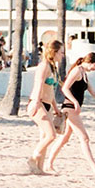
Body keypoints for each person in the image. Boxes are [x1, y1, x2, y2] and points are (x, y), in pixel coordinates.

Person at [43, 50, 95, 171]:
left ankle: (49, 164)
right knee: (84, 138)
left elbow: (94, 93)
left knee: (64, 139)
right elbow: (65, 88)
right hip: (70, 108)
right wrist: (75, 101)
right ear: (89, 61)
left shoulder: (84, 74)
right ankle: (94, 167)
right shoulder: (77, 71)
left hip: (73, 108)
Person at [26, 39, 67, 175]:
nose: (62, 55)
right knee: (51, 135)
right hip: (38, 103)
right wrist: (36, 103)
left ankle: (39, 168)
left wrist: (56, 109)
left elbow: (51, 91)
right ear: (53, 52)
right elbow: (38, 85)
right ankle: (32, 158)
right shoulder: (44, 66)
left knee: (44, 136)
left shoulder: (52, 67)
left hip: (48, 104)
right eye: (61, 52)